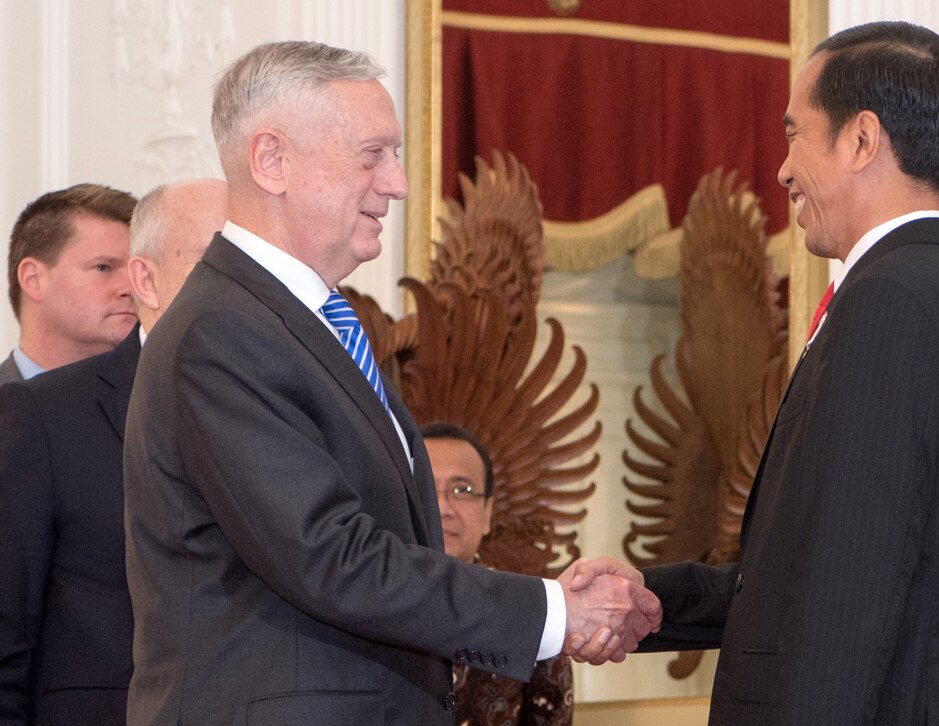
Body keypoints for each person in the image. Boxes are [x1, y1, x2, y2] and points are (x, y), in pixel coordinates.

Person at [122, 40, 660, 726]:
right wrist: (557, 610)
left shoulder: (299, 322)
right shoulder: (223, 332)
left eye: (396, 155)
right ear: (271, 160)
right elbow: (333, 557)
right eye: (371, 155)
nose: (399, 183)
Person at [571, 21, 939, 724]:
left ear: (861, 140)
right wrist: (652, 600)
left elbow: (845, 608)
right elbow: (806, 578)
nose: (781, 169)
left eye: (793, 132)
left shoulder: (892, 305)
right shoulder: (937, 297)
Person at [0, 178, 228, 726]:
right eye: (104, 267)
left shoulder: (208, 397)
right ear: (32, 278)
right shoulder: (32, 416)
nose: (126, 285)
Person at [422, 423, 574, 725]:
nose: (442, 507)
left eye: (461, 490)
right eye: (425, 488)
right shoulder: (363, 602)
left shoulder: (532, 613)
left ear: (487, 512)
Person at [1, 183, 137, 383]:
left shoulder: (161, 406)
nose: (132, 288)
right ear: (34, 280)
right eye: (103, 268)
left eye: (139, 272)